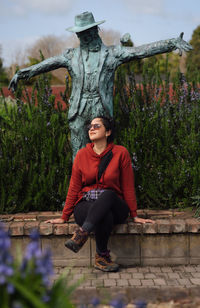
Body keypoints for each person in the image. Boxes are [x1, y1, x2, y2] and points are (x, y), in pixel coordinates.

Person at [8, 12, 193, 160]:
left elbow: (140, 51)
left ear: (95, 31)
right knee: (78, 154)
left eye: (86, 33)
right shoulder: (70, 55)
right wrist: (21, 74)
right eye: (80, 34)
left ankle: (102, 193)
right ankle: (79, 197)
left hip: (100, 106)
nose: (83, 37)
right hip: (78, 109)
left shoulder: (113, 53)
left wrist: (171, 43)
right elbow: (46, 64)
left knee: (102, 154)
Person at [45, 116, 154, 272]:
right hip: (87, 205)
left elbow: (128, 186)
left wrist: (134, 215)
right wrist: (64, 217)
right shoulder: (82, 155)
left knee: (108, 195)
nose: (91, 129)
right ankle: (101, 257)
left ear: (108, 132)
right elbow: (74, 188)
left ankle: (82, 234)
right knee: (104, 215)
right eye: (90, 126)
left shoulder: (120, 153)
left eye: (97, 126)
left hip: (115, 204)